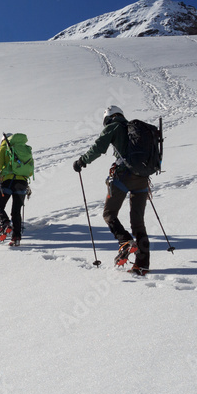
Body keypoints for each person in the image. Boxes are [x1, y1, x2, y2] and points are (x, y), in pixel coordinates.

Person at [73, 105, 150, 275]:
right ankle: (142, 264)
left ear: (108, 118)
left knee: (109, 214)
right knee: (138, 222)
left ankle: (126, 242)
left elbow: (99, 147)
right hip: (142, 179)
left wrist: (82, 161)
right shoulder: (133, 129)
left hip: (123, 177)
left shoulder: (113, 126)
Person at [0, 133, 33, 246]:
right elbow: (30, 169)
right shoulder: (25, 148)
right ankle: (16, 238)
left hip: (8, 182)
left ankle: (5, 223)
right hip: (22, 182)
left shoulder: (4, 148)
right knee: (16, 212)